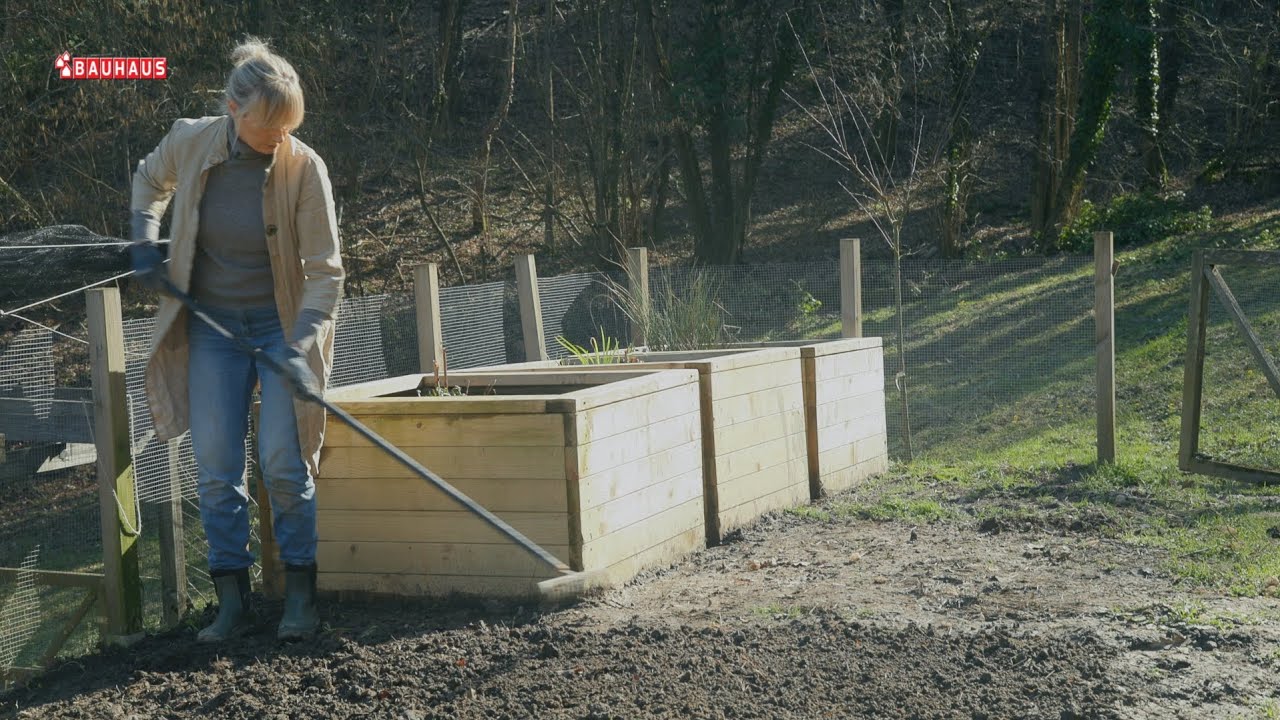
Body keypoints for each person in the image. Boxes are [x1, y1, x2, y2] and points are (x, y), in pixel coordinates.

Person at [128, 37, 344, 642]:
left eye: (289, 127)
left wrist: (301, 345)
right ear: (233, 109)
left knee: (281, 458)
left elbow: (326, 271)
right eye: (269, 127)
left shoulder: (305, 169)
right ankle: (232, 601)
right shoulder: (191, 140)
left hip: (282, 328)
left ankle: (300, 596)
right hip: (213, 330)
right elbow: (150, 179)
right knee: (218, 467)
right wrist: (146, 236)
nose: (280, 138)